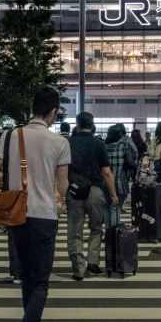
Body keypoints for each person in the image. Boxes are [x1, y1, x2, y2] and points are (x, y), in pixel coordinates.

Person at [0, 86, 69, 322]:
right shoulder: (59, 142)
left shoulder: (10, 136)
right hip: (45, 216)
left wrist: (15, 177)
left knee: (26, 277)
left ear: (31, 107)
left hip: (17, 215)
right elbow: (63, 187)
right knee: (41, 281)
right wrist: (57, 200)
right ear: (53, 111)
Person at [66, 111, 119, 279]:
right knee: (96, 228)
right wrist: (113, 193)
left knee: (75, 229)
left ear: (78, 125)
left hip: (74, 190)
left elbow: (61, 169)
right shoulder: (98, 144)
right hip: (95, 191)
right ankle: (93, 262)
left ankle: (78, 268)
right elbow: (107, 172)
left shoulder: (69, 143)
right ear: (92, 125)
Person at [105, 123, 136, 228]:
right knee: (116, 208)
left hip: (105, 183)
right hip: (120, 182)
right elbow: (131, 163)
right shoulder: (123, 146)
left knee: (107, 208)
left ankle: (108, 232)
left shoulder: (103, 146)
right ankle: (113, 234)